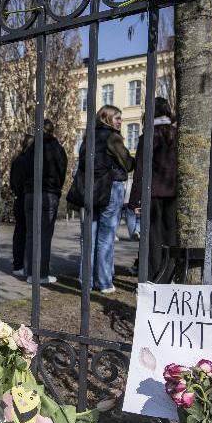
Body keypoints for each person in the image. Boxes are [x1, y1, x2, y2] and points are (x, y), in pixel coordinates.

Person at [78, 106, 133, 293]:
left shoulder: (88, 138)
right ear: (106, 118)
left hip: (90, 189)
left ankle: (87, 280)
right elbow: (128, 162)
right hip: (111, 188)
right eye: (117, 118)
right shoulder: (113, 137)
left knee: (90, 236)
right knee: (106, 237)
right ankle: (104, 282)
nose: (120, 121)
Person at [128, 97, 178, 281]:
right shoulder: (176, 135)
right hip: (174, 194)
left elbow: (140, 171)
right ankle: (170, 277)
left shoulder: (147, 136)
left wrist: (133, 200)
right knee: (171, 238)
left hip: (153, 194)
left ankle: (155, 280)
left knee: (153, 240)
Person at [17, 119, 68, 284]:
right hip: (48, 192)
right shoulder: (57, 149)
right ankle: (41, 274)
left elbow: (23, 172)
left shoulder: (30, 150)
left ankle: (31, 273)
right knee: (44, 236)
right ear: (52, 131)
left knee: (31, 235)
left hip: (30, 193)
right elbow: (62, 171)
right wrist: (56, 188)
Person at [8, 133, 33, 276]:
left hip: (20, 198)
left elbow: (13, 183)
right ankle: (23, 264)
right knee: (26, 232)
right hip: (26, 197)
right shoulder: (28, 161)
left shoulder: (17, 160)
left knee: (20, 232)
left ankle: (19, 264)